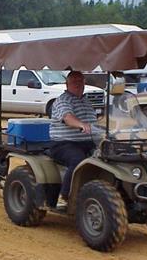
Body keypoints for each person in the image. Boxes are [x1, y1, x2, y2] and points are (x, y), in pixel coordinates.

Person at [49, 71, 97, 208]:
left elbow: (95, 121)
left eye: (80, 81)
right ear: (67, 84)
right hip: (63, 143)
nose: (78, 84)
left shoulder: (86, 101)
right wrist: (81, 124)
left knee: (110, 156)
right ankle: (64, 197)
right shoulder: (63, 100)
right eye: (74, 82)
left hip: (87, 142)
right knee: (78, 160)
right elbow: (68, 118)